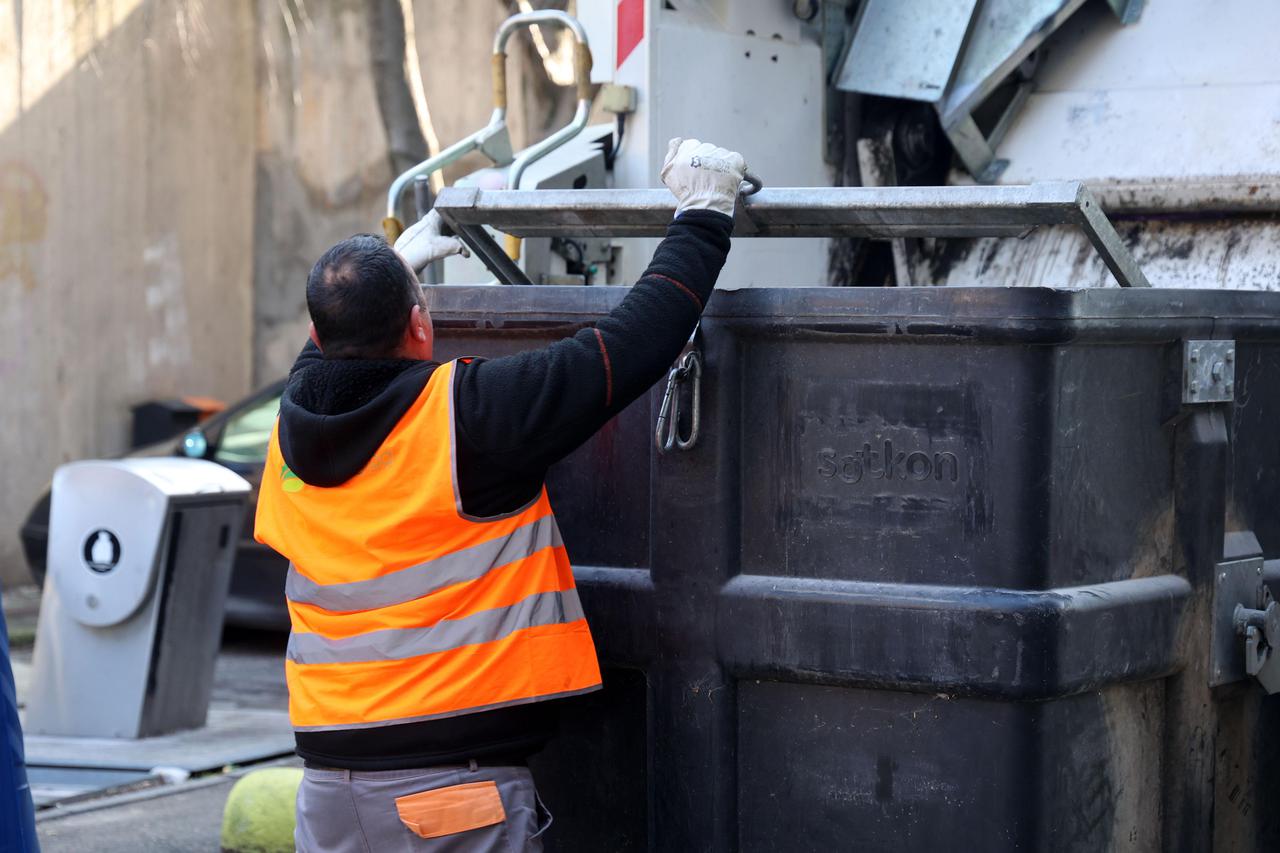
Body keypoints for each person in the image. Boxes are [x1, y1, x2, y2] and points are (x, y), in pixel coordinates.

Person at [255, 138, 745, 852]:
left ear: (316, 336)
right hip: (448, 800)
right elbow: (627, 349)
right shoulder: (465, 416)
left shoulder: (286, 440)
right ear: (420, 324)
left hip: (329, 796)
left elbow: (323, 362)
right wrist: (704, 214)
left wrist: (394, 277)